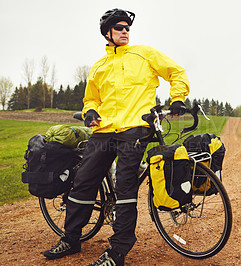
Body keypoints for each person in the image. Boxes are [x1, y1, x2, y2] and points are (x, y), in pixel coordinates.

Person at [43, 8, 190, 265]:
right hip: (104, 130)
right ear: (107, 32)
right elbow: (91, 98)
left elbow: (176, 72)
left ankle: (117, 252)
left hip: (135, 127)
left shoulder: (144, 53)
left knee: (125, 188)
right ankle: (71, 238)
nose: (125, 32)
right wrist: (90, 112)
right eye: (119, 28)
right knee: (83, 184)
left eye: (127, 28)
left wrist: (177, 99)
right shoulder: (98, 66)